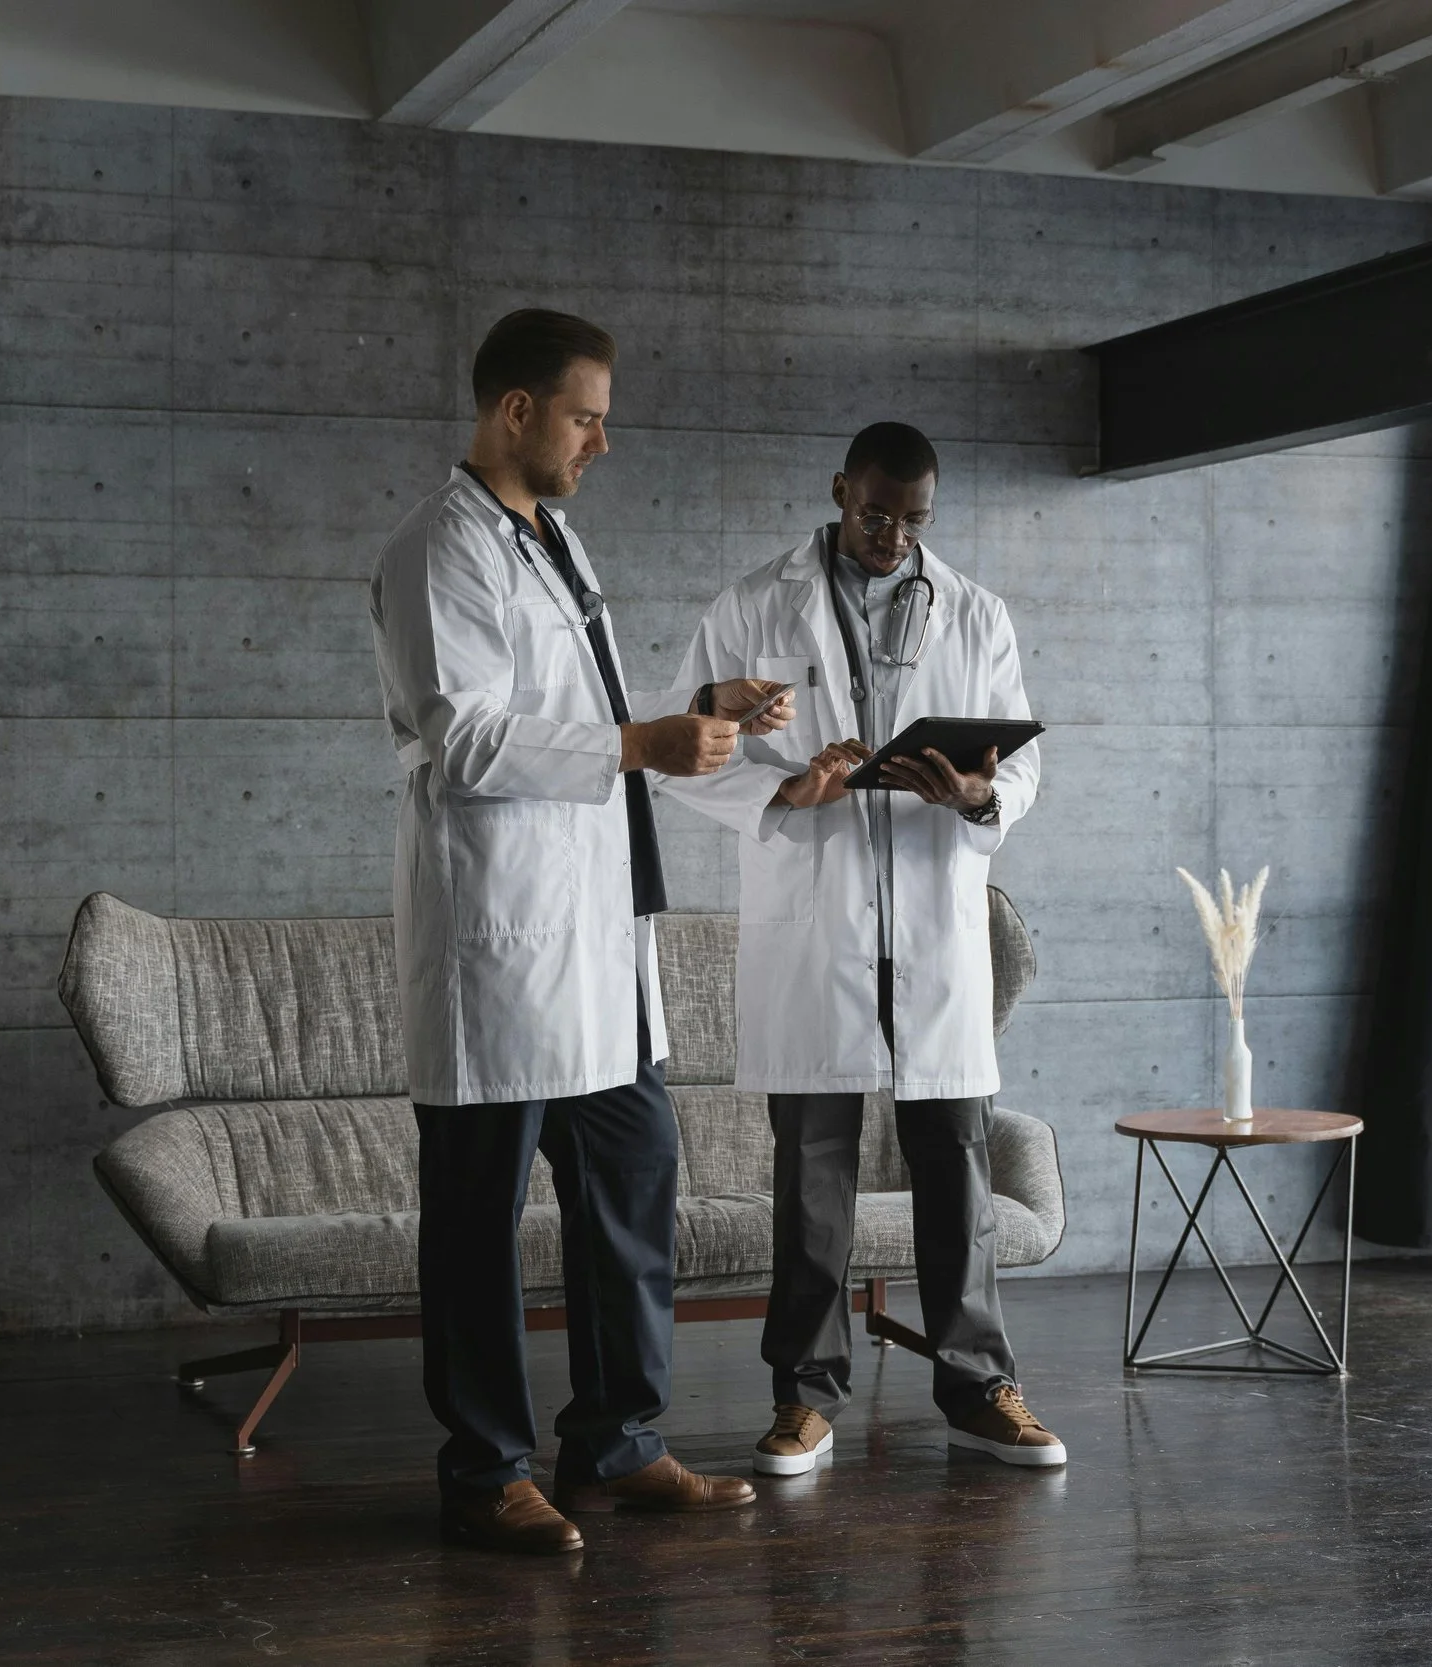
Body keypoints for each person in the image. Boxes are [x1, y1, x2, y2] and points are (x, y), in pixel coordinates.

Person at [368, 309, 796, 1553]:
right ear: (514, 410)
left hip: (596, 941)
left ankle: (615, 1437)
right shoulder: (439, 549)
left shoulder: (551, 535)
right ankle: (485, 1466)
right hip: (499, 942)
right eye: (584, 413)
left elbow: (574, 711)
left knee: (632, 1175)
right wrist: (637, 743)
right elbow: (469, 737)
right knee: (477, 1220)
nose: (602, 439)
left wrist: (694, 712)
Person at [659, 421, 1065, 1474]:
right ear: (840, 489)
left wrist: (980, 790)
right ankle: (804, 1395)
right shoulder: (751, 605)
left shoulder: (976, 611)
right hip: (820, 916)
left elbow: (1021, 763)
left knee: (956, 1163)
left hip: (932, 917)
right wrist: (786, 785)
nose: (891, 535)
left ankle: (979, 1384)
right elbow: (677, 752)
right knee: (813, 1172)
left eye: (913, 518)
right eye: (875, 512)